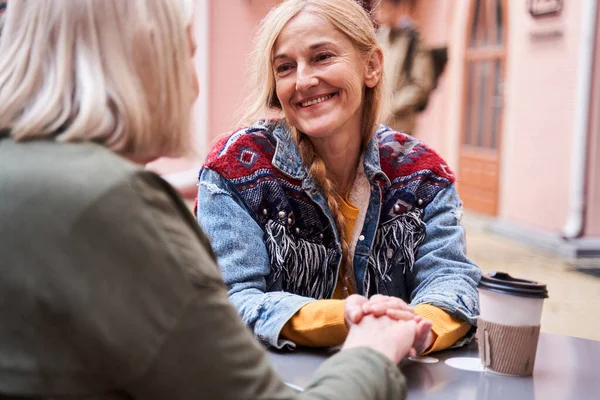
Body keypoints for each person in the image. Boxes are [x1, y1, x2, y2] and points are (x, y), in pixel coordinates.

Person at [0, 1, 428, 399]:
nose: (193, 85)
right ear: (141, 60)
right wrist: (371, 349)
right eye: (185, 56)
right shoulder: (115, 204)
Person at [196, 0, 481, 355]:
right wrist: (349, 319)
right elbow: (230, 301)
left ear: (372, 66)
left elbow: (451, 280)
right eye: (285, 67)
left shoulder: (423, 174)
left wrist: (417, 329)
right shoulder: (237, 169)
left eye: (322, 57)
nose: (303, 80)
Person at [375, 0, 435, 134]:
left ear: (397, 8)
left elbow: (420, 86)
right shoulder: (380, 37)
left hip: (401, 126)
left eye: (384, 7)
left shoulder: (413, 39)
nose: (379, 12)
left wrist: (391, 106)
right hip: (378, 124)